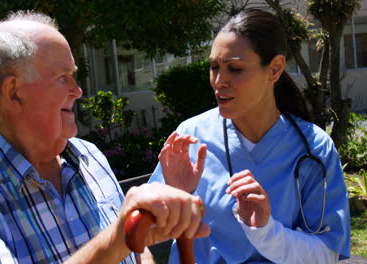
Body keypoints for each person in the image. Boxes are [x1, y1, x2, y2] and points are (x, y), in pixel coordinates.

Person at [0, 11, 210, 264]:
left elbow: (137, 252)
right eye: (62, 77)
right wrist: (116, 239)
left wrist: (130, 240)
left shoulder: (90, 156)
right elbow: (121, 241)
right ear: (14, 91)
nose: (77, 90)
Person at [149, 8, 350, 263]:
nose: (219, 81)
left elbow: (327, 252)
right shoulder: (190, 138)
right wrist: (176, 197)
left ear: (275, 69)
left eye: (235, 68)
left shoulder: (314, 148)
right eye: (214, 67)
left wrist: (266, 232)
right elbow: (143, 229)